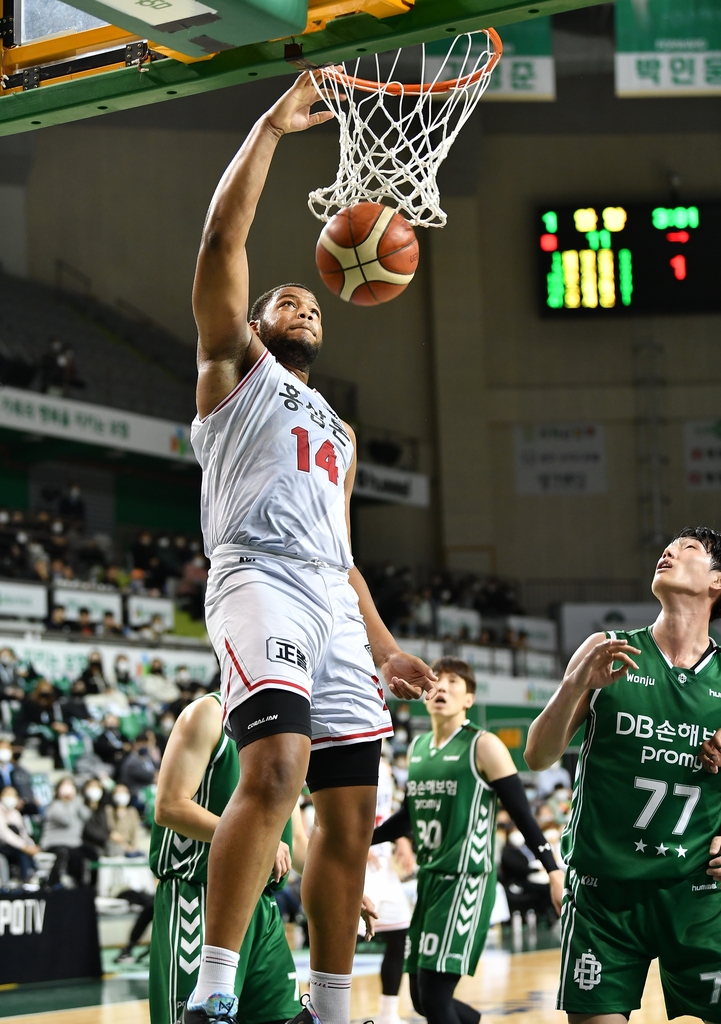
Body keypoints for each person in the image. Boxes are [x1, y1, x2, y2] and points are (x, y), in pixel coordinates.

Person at [182, 71, 437, 1024]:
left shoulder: (338, 426)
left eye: (313, 303)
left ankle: (331, 1009)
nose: (304, 304)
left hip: (331, 601)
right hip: (257, 578)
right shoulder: (232, 370)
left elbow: (343, 551)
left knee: (348, 815)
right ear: (252, 324)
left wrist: (380, 642)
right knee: (277, 768)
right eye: (285, 299)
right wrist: (272, 127)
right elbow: (222, 241)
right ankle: (216, 986)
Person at [525, 526, 721, 1024]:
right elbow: (537, 755)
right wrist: (574, 686)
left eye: (690, 550)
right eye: (668, 547)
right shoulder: (607, 649)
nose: (670, 552)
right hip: (602, 892)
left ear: (717, 582)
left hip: (697, 892)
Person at [373, 657, 564, 1024]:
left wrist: (553, 871)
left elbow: (523, 815)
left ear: (469, 700)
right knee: (419, 999)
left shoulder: (483, 745)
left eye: (453, 683)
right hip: (430, 882)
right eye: (436, 681)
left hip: (467, 882)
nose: (441, 687)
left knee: (434, 994)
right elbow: (410, 816)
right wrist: (364, 839)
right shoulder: (419, 748)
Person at [149, 691, 305, 1024]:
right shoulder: (207, 713)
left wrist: (347, 893)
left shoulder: (289, 733)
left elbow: (300, 844)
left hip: (262, 906)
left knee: (283, 1018)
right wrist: (255, 840)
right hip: (200, 896)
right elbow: (169, 806)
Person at [360, 753, 413, 1024]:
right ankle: (320, 1007)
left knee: (399, 933)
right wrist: (356, 841)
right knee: (342, 940)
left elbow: (388, 811)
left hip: (382, 859)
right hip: (356, 856)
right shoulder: (351, 752)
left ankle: (388, 1015)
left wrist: (401, 837)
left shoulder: (386, 766)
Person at [41, 776, 92, 886]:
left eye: (70, 786)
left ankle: (85, 887)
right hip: (55, 844)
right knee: (68, 854)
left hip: (74, 844)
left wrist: (77, 800)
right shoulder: (54, 806)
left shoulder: (77, 804)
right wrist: (67, 802)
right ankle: (53, 884)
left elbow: (87, 816)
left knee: (90, 853)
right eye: (64, 786)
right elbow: (66, 820)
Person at [0, 785, 39, 882]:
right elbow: (5, 834)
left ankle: (35, 877)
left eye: (13, 795)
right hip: (3, 845)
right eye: (7, 794)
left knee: (29, 854)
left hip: (15, 847)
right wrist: (24, 847)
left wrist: (31, 845)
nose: (10, 797)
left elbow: (23, 833)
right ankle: (25, 881)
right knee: (22, 854)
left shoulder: (15, 813)